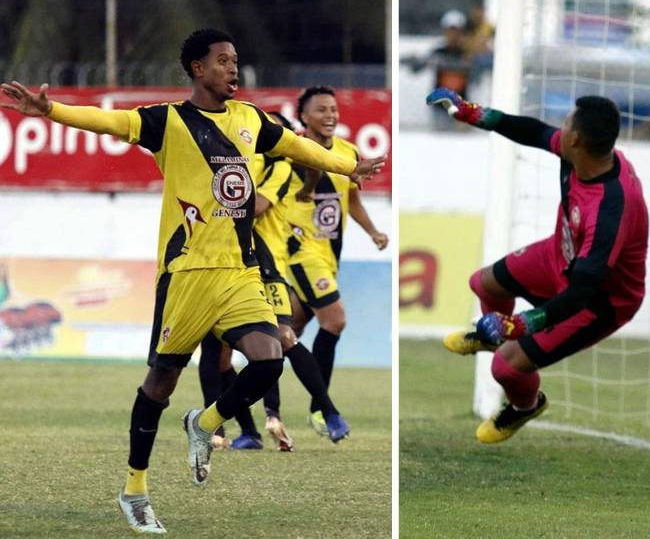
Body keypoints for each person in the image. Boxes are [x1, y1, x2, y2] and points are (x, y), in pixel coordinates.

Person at [0, 28, 384, 535]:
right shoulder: (169, 122)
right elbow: (109, 122)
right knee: (160, 383)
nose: (233, 68)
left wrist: (349, 165)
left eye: (236, 60)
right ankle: (134, 488)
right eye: (222, 61)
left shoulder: (251, 120)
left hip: (241, 271)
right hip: (187, 275)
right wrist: (52, 112)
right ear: (197, 69)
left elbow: (298, 148)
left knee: (270, 360)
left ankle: (203, 424)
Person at [426, 88, 649, 444]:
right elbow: (532, 131)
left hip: (599, 301)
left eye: (566, 123)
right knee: (484, 284)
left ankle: (525, 405)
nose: (559, 128)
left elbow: (581, 292)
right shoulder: (584, 153)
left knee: (506, 369)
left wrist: (519, 325)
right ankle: (493, 336)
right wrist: (474, 113)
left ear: (577, 139)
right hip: (558, 255)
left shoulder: (611, 211)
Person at [198, 111, 350, 451]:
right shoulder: (242, 161)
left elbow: (257, 206)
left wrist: (216, 203)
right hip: (224, 263)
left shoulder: (280, 167)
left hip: (267, 266)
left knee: (281, 339)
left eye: (274, 133)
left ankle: (324, 410)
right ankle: (243, 431)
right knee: (218, 354)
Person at [287, 85, 388, 435]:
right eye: (321, 110)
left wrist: (373, 231)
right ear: (304, 116)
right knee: (334, 320)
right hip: (300, 251)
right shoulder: (293, 149)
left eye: (333, 109)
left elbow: (353, 200)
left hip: (329, 256)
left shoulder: (347, 151)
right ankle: (321, 408)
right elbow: (300, 184)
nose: (330, 115)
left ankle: (250, 396)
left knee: (287, 332)